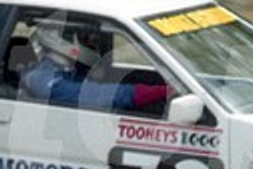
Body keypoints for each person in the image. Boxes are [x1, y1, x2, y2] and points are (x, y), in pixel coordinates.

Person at [22, 20, 174, 113]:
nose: (93, 42)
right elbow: (96, 95)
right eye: (86, 37)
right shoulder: (40, 79)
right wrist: (163, 91)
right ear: (61, 39)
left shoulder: (74, 70)